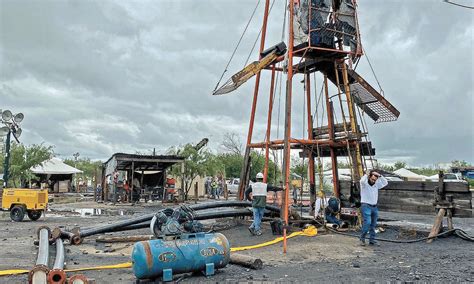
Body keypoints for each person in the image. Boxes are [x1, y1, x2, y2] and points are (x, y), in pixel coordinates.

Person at [359, 169, 388, 246]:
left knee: (373, 224)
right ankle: (362, 238)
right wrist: (366, 174)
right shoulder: (364, 185)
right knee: (367, 222)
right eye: (372, 179)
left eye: (375, 180)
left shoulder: (376, 185)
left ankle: (372, 240)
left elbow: (385, 182)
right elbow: (361, 181)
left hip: (374, 206)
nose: (373, 181)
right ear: (369, 177)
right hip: (366, 205)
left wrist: (380, 176)